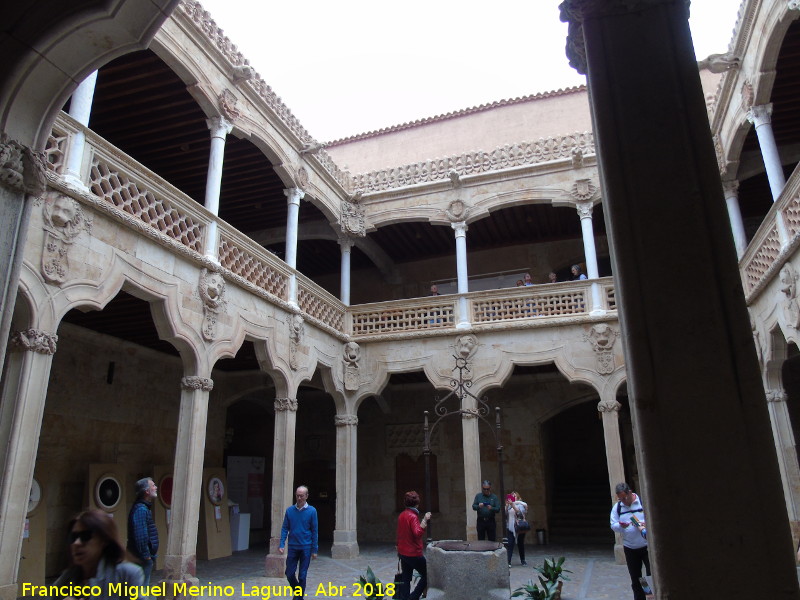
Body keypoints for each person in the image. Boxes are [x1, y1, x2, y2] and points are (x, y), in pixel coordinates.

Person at [54, 509, 144, 598]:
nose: (76, 543)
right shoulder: (67, 578)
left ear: (104, 540)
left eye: (85, 536)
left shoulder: (127, 575)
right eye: (73, 537)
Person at [610, 482, 650, 600]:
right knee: (636, 578)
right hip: (630, 548)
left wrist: (644, 524)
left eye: (624, 497)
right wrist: (621, 526)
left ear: (630, 492)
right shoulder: (617, 508)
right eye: (620, 498)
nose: (623, 500)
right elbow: (613, 525)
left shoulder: (642, 503)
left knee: (650, 576)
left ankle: (650, 596)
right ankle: (640, 598)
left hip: (646, 547)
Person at [279, 485, 318, 598]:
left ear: (306, 496)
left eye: (301, 496)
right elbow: (285, 528)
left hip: (306, 546)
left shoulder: (312, 511)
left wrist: (314, 549)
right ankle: (299, 593)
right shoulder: (290, 510)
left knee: (302, 575)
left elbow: (314, 530)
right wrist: (282, 544)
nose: (299, 498)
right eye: (297, 495)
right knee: (289, 573)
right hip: (293, 546)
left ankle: (298, 597)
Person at [396, 491, 430, 600]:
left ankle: (404, 598)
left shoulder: (402, 515)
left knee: (406, 577)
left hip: (403, 552)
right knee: (428, 573)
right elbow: (417, 533)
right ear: (417, 504)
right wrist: (425, 520)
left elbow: (400, 533)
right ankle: (414, 597)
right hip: (413, 553)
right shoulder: (413, 516)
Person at [127, 477, 158, 588]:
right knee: (140, 590)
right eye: (153, 485)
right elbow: (140, 535)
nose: (156, 487)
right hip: (141, 558)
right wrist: (146, 556)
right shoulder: (141, 509)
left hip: (143, 557)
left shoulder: (143, 508)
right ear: (147, 491)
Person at [505, 491, 528, 566]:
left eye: (514, 496)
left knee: (520, 543)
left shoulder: (521, 504)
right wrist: (507, 505)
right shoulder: (509, 505)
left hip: (519, 527)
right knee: (510, 544)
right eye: (511, 496)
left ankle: (523, 560)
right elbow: (506, 514)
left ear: (518, 497)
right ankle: (508, 561)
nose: (513, 498)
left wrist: (513, 505)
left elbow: (519, 514)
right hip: (510, 526)